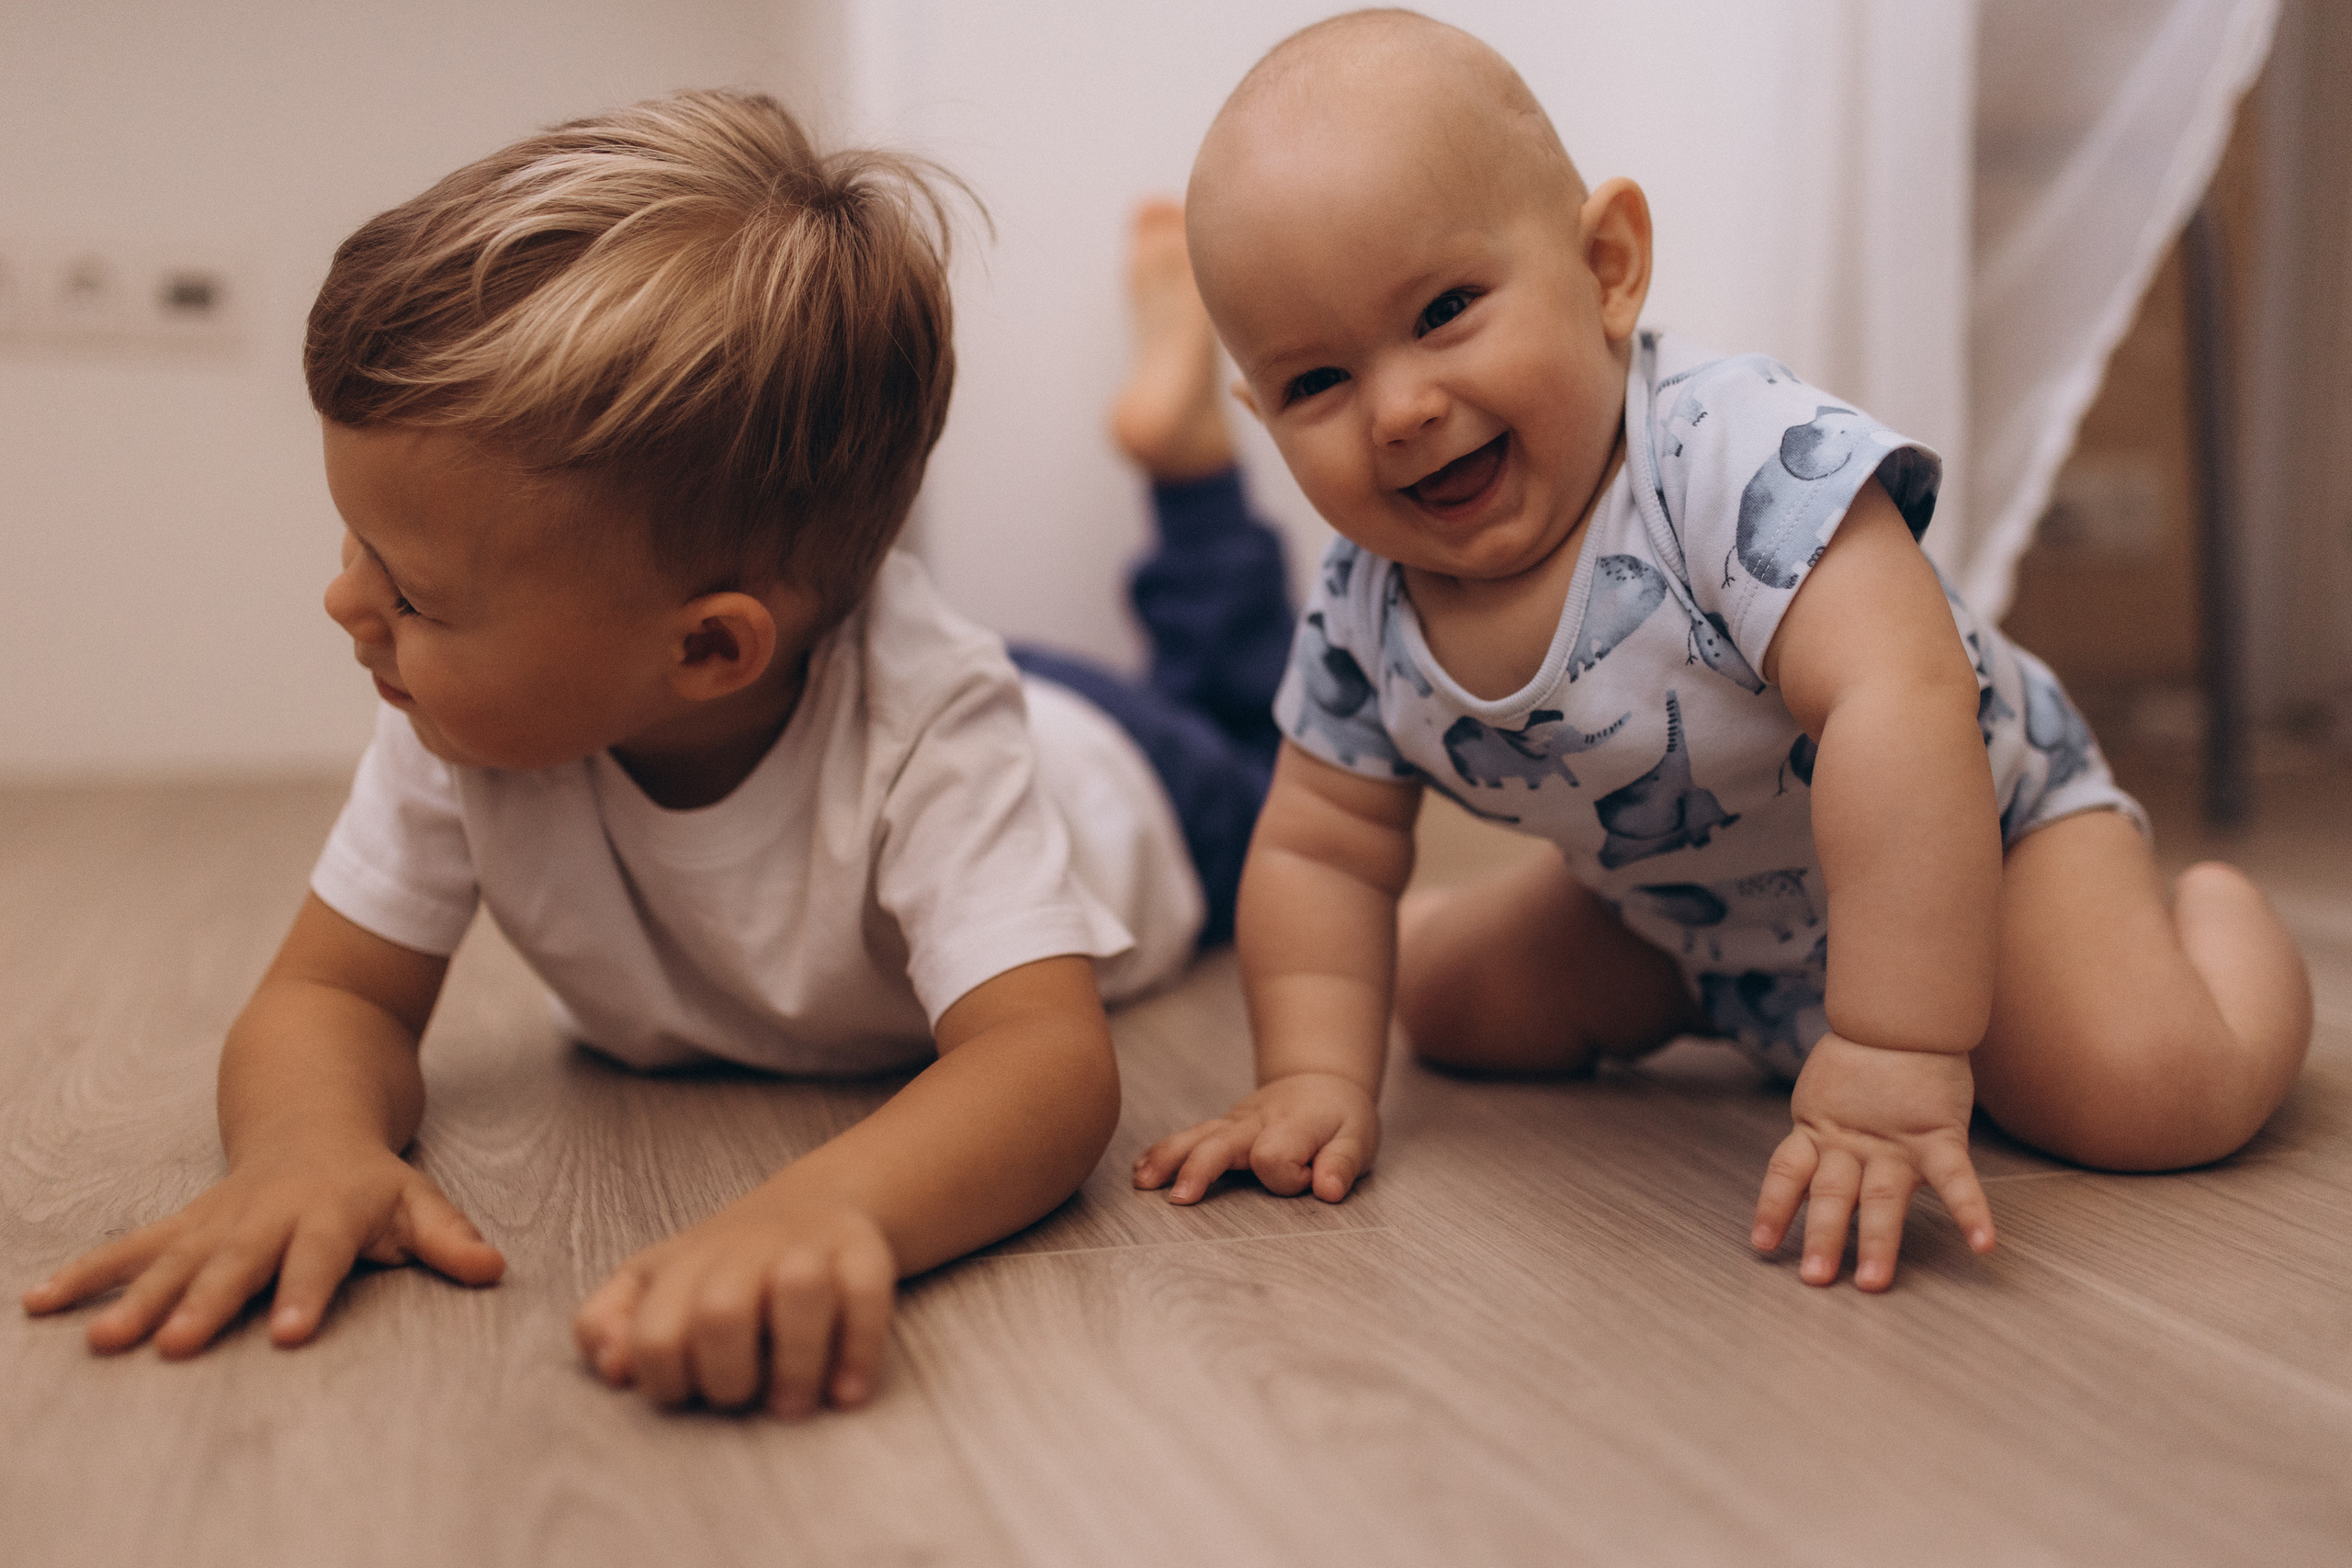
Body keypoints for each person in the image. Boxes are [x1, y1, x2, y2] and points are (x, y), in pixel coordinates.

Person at [20, 91, 1288, 1415]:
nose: (347, 607)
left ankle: (1188, 465)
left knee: (1245, 732)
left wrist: (821, 1211)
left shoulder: (930, 728)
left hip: (1121, 783)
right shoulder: (460, 722)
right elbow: (337, 998)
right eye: (362, 554)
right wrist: (304, 1146)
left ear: (705, 653)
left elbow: (1044, 1065)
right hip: (915, 687)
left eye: (412, 595)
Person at [1135, 9, 2314, 1292]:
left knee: (2150, 1092)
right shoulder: (1365, 605)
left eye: (1448, 308)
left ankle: (2217, 927)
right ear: (1262, 414)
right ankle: (1724, 1000)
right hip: (1685, 909)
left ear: (1607, 267)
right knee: (1452, 1014)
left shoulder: (1728, 455)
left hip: (1987, 840)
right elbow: (1322, 843)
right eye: (1317, 384)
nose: (1403, 409)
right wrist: (1308, 1076)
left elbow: (1896, 699)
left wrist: (1894, 1046)